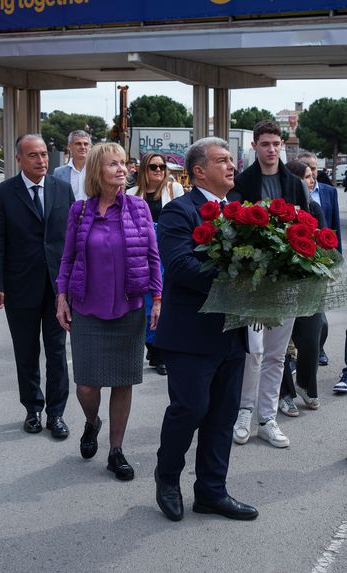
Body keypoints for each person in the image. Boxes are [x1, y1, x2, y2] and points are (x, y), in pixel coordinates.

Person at [154, 137, 258, 522]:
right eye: (222, 160)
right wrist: (238, 279)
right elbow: (180, 267)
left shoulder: (241, 212)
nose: (232, 166)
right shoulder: (179, 212)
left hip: (231, 332)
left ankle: (212, 491)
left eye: (232, 159)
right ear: (199, 170)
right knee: (190, 409)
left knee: (223, 415)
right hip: (189, 333)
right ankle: (167, 479)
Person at [56, 142, 162, 481]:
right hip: (87, 306)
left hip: (129, 307)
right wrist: (61, 296)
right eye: (113, 164)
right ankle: (92, 421)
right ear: (97, 171)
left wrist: (157, 298)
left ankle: (116, 450)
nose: (122, 169)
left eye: (124, 163)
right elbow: (67, 258)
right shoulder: (81, 211)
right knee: (87, 384)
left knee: (122, 381)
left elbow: (152, 256)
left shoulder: (138, 208)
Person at [0, 134, 74, 438]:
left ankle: (56, 414)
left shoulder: (62, 190)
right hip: (19, 286)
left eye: (44, 154)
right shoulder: (3, 194)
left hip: (57, 288)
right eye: (33, 155)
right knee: (26, 352)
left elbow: (72, 241)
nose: (41, 160)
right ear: (19, 159)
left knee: (57, 352)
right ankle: (33, 409)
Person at [230, 120, 308, 449]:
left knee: (276, 355)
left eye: (277, 143)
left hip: (285, 282)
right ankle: (244, 410)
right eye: (265, 144)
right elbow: (231, 230)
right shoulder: (242, 183)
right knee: (254, 351)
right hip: (252, 283)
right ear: (255, 146)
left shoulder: (294, 184)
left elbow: (308, 228)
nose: (272, 149)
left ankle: (267, 416)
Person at [127, 152, 183, 375]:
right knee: (148, 301)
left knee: (164, 298)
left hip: (166, 249)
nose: (158, 170)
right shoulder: (131, 194)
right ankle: (152, 346)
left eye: (162, 166)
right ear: (144, 170)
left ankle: (160, 350)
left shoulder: (174, 190)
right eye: (153, 167)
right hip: (140, 251)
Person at [278, 160, 327, 417]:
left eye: (312, 176)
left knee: (313, 336)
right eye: (306, 177)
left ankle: (306, 383)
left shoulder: (314, 208)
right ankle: (284, 393)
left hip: (308, 284)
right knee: (279, 345)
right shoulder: (277, 209)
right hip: (279, 286)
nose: (311, 181)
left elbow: (323, 242)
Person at [298, 151, 342, 366]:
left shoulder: (328, 192)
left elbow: (333, 230)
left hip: (321, 260)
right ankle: (302, 353)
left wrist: (336, 258)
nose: (313, 173)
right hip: (300, 260)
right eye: (307, 168)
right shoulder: (293, 194)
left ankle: (319, 348)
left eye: (314, 168)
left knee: (319, 313)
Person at [53, 130, 91, 200]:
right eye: (78, 143)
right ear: (69, 147)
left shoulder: (97, 171)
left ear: (90, 147)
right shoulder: (58, 173)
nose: (83, 147)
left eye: (86, 144)